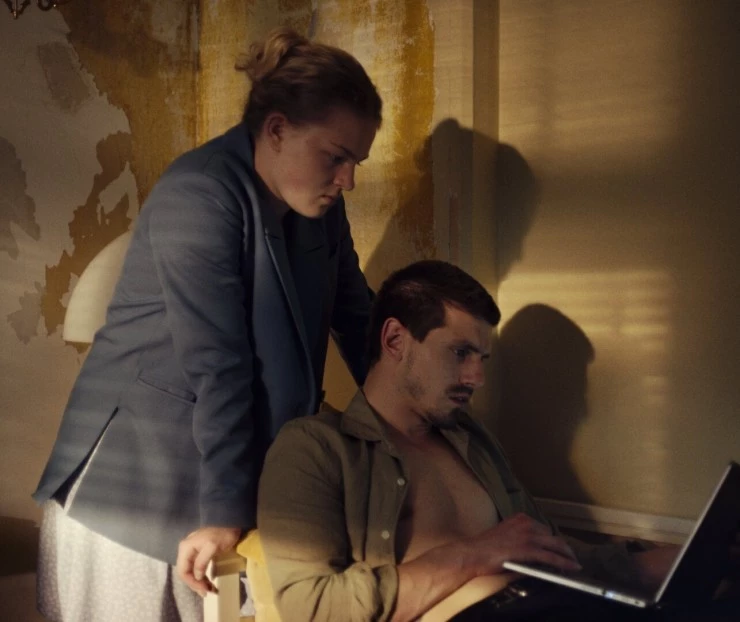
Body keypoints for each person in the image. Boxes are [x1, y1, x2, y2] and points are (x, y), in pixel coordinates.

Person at [32, 27, 381, 621]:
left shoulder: (322, 206)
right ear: (277, 129)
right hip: (138, 483)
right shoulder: (199, 193)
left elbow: (356, 315)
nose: (348, 179)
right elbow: (220, 366)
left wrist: (412, 421)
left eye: (356, 162)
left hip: (233, 472)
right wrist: (223, 513)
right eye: (336, 157)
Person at [257, 260, 738, 622]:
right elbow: (311, 607)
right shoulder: (317, 448)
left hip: (553, 605)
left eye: (481, 358)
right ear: (395, 340)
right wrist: (475, 553)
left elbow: (543, 547)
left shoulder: (470, 439)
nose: (476, 377)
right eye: (460, 352)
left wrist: (655, 565)